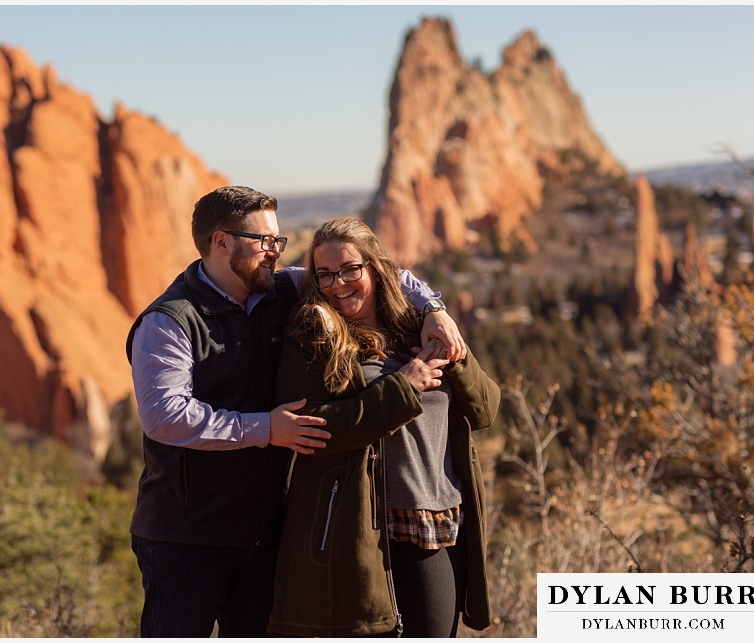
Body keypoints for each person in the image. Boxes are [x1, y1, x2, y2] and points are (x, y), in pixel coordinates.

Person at [125, 186, 467, 637]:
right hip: (185, 535)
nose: (274, 252)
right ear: (220, 242)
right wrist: (267, 428)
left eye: (278, 241)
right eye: (263, 240)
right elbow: (164, 415)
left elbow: (371, 272)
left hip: (266, 532)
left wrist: (434, 307)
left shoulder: (278, 289)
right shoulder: (169, 320)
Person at [267, 217, 500, 637]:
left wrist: (453, 348)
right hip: (360, 525)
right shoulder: (314, 335)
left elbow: (485, 410)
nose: (338, 284)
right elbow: (312, 431)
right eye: (325, 275)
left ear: (375, 267)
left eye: (350, 270)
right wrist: (402, 387)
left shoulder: (417, 325)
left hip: (438, 517)